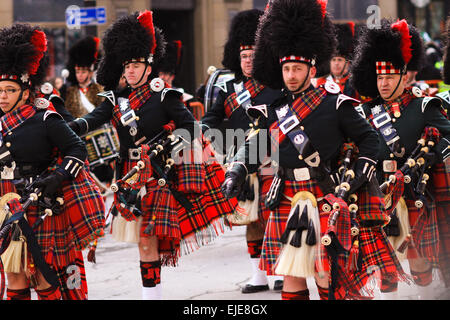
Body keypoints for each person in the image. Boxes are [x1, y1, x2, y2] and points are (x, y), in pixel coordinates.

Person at [221, 0, 407, 300]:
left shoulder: (334, 103)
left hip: (325, 193)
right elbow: (255, 144)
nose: (291, 75)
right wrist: (237, 170)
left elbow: (370, 140)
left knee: (325, 273)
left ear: (311, 69)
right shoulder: (274, 108)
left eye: (297, 68)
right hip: (286, 194)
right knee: (292, 276)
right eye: (286, 69)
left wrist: (359, 175)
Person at [69, 10, 236, 300]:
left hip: (160, 174)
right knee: (144, 244)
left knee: (149, 240)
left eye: (135, 65)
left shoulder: (164, 96)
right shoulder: (116, 100)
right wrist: (69, 127)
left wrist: (168, 146)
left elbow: (190, 128)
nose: (130, 71)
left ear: (148, 67)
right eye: (127, 66)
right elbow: (94, 118)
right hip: (130, 176)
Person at [0, 23, 105, 300]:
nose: (2, 96)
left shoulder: (44, 118)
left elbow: (76, 149)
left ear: (25, 92)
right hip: (6, 205)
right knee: (14, 275)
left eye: (9, 90)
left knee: (43, 276)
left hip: (39, 204)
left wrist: (58, 177)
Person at [351, 18, 450, 299]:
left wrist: (434, 151)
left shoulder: (424, 106)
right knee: (384, 263)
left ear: (404, 76)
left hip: (414, 191)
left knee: (418, 260)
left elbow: (448, 136)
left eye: (390, 77)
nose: (383, 83)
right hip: (377, 194)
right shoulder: (367, 112)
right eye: (380, 77)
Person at [201, 9, 283, 294]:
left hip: (273, 160)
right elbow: (212, 118)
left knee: (276, 216)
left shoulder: (277, 87)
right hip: (243, 163)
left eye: (253, 55)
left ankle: (282, 269)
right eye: (244, 56)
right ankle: (258, 276)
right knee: (251, 221)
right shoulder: (230, 89)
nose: (248, 61)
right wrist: (198, 129)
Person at [315, 22, 359, 99]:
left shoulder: (355, 83)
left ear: (347, 62)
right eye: (333, 60)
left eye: (339, 60)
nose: (336, 63)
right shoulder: (321, 82)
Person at [64, 36, 104, 119]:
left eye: (83, 72)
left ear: (90, 73)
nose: (80, 75)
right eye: (77, 72)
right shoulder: (69, 91)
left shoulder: (99, 89)